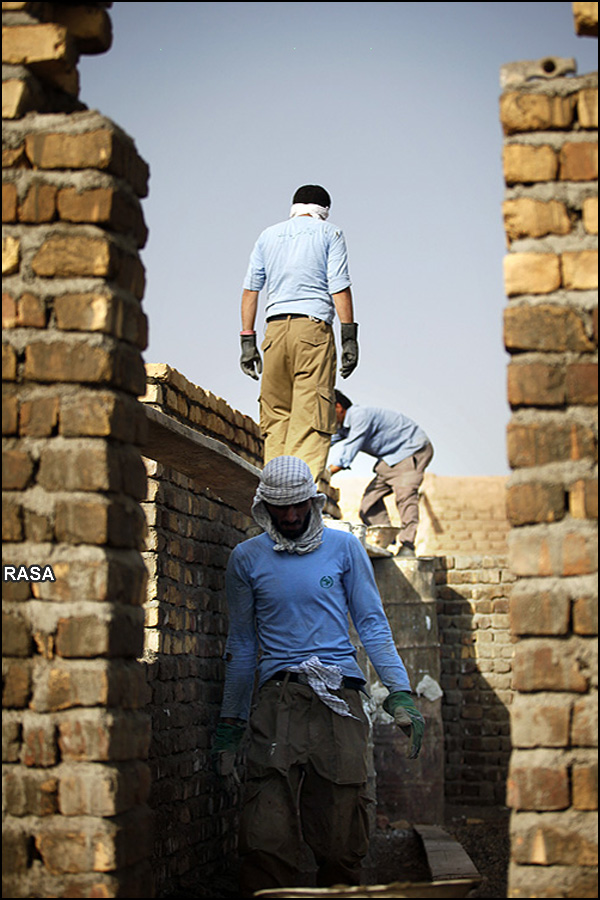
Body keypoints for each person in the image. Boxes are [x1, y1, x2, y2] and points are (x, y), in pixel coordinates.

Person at [212, 456, 425, 897]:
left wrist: (399, 692)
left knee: (341, 830)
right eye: (280, 508)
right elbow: (243, 644)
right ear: (264, 506)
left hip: (339, 698)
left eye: (298, 507)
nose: (289, 517)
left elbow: (371, 622)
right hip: (278, 700)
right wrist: (231, 722)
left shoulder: (343, 547)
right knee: (265, 831)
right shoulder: (246, 558)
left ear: (313, 501)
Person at [238, 184, 360, 482]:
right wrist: (349, 336)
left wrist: (247, 341)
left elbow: (251, 290)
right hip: (312, 331)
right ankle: (297, 499)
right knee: (311, 417)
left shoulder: (268, 235)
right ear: (324, 211)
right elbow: (339, 285)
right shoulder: (330, 233)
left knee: (276, 416)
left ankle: (274, 494)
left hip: (274, 333)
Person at [329, 390, 434, 557]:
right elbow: (325, 441)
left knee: (405, 497)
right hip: (390, 459)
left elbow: (350, 450)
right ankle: (387, 540)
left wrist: (326, 473)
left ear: (338, 407)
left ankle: (407, 546)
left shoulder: (359, 416)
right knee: (368, 506)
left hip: (411, 449)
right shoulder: (342, 427)